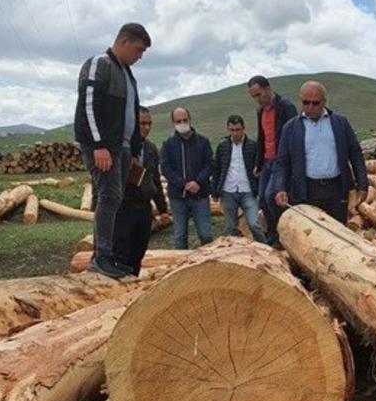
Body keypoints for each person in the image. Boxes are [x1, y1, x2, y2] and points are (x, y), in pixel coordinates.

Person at [73, 23, 150, 278]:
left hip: (124, 148)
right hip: (106, 147)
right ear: (125, 41)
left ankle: (111, 256)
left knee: (117, 199)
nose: (140, 56)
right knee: (109, 196)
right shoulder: (100, 63)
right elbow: (89, 105)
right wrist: (98, 145)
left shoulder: (128, 74)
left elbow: (131, 115)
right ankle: (101, 258)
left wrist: (136, 148)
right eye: (138, 50)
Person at [272, 80, 368, 224]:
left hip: (337, 189)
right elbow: (282, 162)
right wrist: (280, 188)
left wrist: (362, 183)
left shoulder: (340, 123)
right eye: (306, 102)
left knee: (338, 230)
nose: (310, 107)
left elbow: (355, 154)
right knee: (310, 233)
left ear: (324, 101)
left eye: (315, 103)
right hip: (307, 190)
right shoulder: (291, 128)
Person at [112, 106, 167, 276]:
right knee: (121, 254)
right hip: (123, 208)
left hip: (144, 209)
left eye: (149, 123)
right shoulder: (118, 147)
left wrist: (163, 209)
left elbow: (155, 180)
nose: (147, 127)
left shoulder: (151, 148)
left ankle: (132, 285)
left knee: (138, 252)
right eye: (142, 123)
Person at [247, 75, 298, 246]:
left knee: (272, 197)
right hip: (267, 160)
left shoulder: (286, 106)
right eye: (253, 97)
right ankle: (271, 234)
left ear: (268, 88)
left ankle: (280, 235)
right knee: (262, 199)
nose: (257, 99)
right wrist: (258, 163)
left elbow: (293, 135)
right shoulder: (260, 111)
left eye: (259, 94)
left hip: (281, 160)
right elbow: (262, 137)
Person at [160, 107, 214, 249]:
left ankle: (211, 266)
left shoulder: (203, 142)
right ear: (173, 123)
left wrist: (198, 182)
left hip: (200, 195)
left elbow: (209, 164)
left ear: (190, 119)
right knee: (180, 236)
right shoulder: (168, 145)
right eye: (178, 121)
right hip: (178, 197)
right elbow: (166, 168)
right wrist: (183, 184)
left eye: (185, 120)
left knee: (206, 235)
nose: (182, 123)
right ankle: (182, 267)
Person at [211, 115, 266, 242]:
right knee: (231, 228)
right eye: (232, 130)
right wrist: (214, 191)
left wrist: (259, 189)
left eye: (238, 129)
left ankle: (265, 249)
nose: (235, 133)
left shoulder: (253, 146)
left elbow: (259, 168)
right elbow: (217, 170)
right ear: (228, 129)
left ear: (243, 129)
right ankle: (236, 255)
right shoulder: (222, 147)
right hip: (228, 191)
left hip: (248, 191)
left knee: (254, 224)